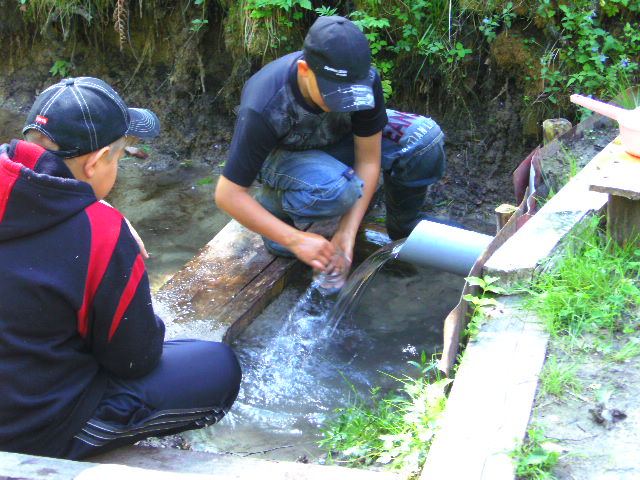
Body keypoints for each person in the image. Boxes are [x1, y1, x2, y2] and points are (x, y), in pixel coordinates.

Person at [0, 77, 242, 460]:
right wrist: (101, 219)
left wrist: (94, 207)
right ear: (96, 163)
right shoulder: (101, 235)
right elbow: (134, 360)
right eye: (122, 155)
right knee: (217, 367)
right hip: (31, 432)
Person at [215, 15, 446, 276]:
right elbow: (227, 194)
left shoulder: (365, 79)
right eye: (333, 95)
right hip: (285, 155)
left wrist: (346, 233)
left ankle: (403, 230)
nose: (344, 104)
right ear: (304, 70)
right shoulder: (266, 102)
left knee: (423, 139)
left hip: (336, 141)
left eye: (351, 94)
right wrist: (296, 240)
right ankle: (274, 206)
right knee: (338, 190)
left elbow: (369, 159)